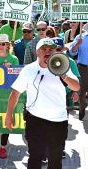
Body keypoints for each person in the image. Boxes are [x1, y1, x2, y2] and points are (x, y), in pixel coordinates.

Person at [6, 38, 80, 169]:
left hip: (58, 121)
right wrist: (9, 115)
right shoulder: (29, 70)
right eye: (44, 49)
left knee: (55, 158)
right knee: (35, 156)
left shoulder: (62, 65)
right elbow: (15, 93)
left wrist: (64, 75)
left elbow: (76, 87)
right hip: (35, 120)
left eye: (51, 49)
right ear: (37, 52)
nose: (47, 51)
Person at [69, 29, 88, 120]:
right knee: (81, 92)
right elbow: (72, 52)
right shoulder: (80, 37)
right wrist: (77, 44)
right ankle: (82, 109)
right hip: (83, 68)